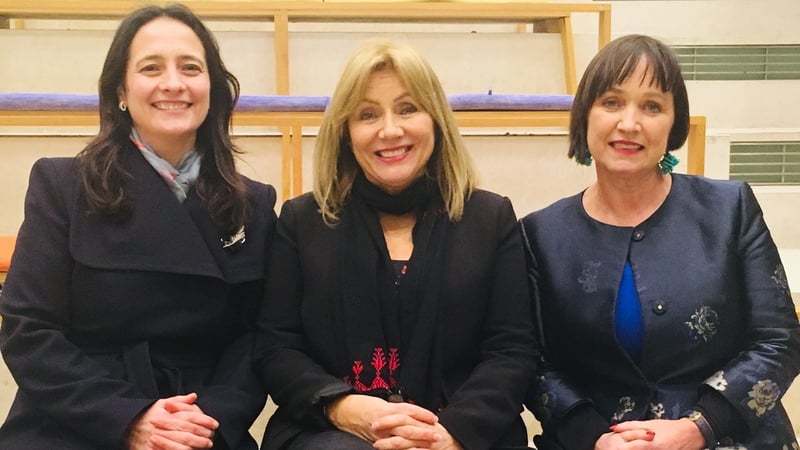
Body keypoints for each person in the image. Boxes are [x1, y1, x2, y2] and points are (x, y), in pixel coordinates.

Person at [0, 4, 276, 449]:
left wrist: (204, 421)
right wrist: (128, 418)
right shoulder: (62, 185)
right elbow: (29, 330)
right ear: (121, 91)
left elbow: (256, 339)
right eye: (151, 67)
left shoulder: (254, 203)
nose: (173, 83)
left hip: (198, 424)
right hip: (79, 418)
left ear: (213, 89)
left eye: (191, 67)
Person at [253, 39, 537, 450]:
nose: (390, 130)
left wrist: (451, 434)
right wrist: (345, 407)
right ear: (346, 133)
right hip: (330, 430)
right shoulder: (301, 222)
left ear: (436, 120)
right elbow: (276, 348)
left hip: (465, 433)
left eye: (408, 108)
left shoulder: (490, 218)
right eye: (368, 114)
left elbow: (512, 350)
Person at [520, 34, 800, 449]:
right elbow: (532, 361)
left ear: (674, 125)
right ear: (585, 116)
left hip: (729, 436)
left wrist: (698, 428)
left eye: (652, 106)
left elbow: (779, 339)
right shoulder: (539, 233)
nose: (629, 123)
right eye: (612, 102)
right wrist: (595, 438)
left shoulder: (729, 208)